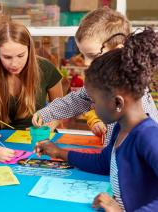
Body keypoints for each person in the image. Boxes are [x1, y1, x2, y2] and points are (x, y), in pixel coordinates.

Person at [35, 28, 158, 211]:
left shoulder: (148, 137)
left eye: (94, 101)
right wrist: (58, 152)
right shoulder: (120, 129)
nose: (91, 108)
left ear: (117, 102)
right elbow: (103, 163)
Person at [32, 7, 158, 145]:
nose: (86, 62)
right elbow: (76, 100)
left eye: (92, 55)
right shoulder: (102, 79)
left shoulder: (134, 93)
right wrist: (46, 113)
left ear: (118, 51)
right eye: (83, 55)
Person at [0, 22, 63, 131]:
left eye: (21, 55)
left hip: (38, 136)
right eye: (7, 57)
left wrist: (53, 122)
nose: (14, 64)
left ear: (30, 50)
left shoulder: (46, 68)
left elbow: (60, 110)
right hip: (1, 139)